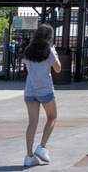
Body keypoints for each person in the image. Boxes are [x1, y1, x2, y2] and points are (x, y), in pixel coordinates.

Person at [21, 24, 61, 167]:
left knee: (32, 123)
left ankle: (29, 156)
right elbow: (58, 69)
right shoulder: (49, 50)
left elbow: (27, 69)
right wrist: (55, 54)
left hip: (30, 89)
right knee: (52, 117)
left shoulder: (28, 50)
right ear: (49, 36)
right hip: (45, 89)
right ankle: (42, 147)